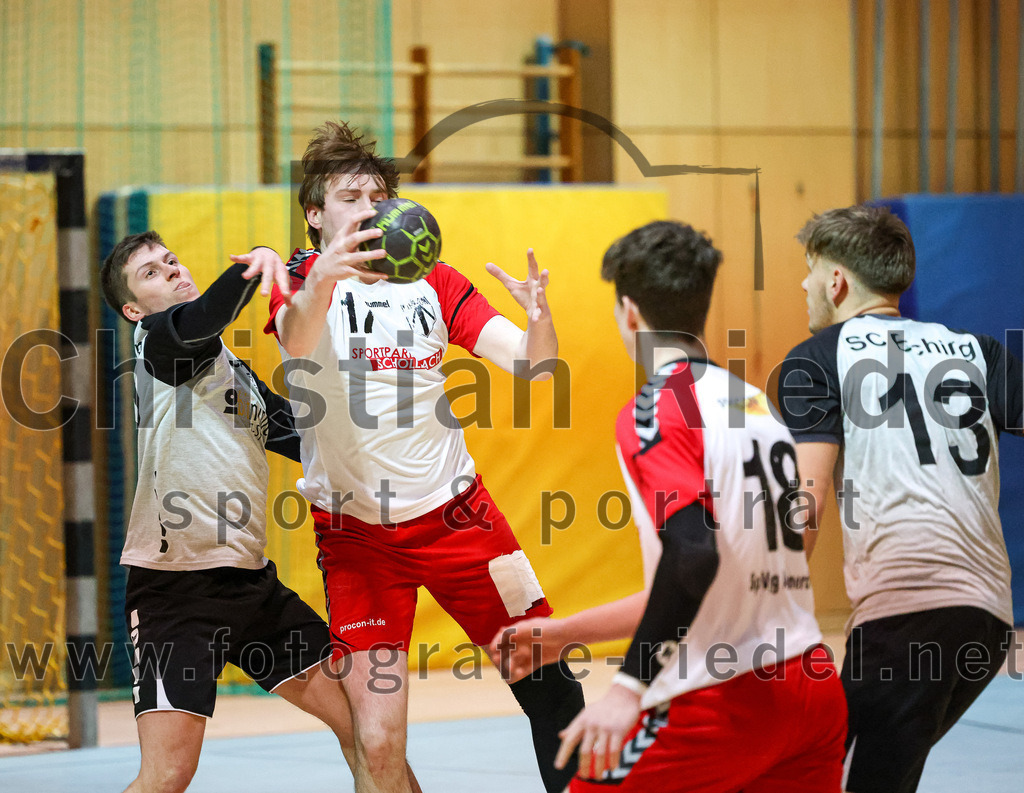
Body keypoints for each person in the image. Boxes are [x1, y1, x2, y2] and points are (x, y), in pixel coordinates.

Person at [263, 120, 585, 793]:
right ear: (316, 214)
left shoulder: (433, 280)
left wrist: (540, 318)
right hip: (358, 542)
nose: (369, 207)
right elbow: (296, 340)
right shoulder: (296, 280)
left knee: (551, 687)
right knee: (378, 739)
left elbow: (534, 366)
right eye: (350, 197)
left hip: (462, 522)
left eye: (379, 196)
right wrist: (327, 273)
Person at [100, 231, 420, 793]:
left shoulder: (231, 372)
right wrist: (256, 269)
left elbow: (306, 435)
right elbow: (203, 318)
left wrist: (392, 441)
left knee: (368, 732)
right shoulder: (159, 343)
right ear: (133, 309)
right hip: (177, 592)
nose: (171, 270)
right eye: (151, 272)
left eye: (171, 260)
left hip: (252, 588)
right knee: (168, 774)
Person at [543, 220, 846, 791]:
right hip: (810, 682)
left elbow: (693, 556)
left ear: (629, 312)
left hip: (718, 695)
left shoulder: (656, 408)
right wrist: (563, 633)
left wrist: (627, 687)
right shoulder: (753, 403)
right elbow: (715, 573)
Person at [777, 204, 1022, 793]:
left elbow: (807, 500)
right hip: (989, 617)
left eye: (810, 270)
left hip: (909, 611)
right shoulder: (978, 350)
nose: (804, 285)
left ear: (836, 281)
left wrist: (763, 597)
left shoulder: (817, 358)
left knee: (832, 776)